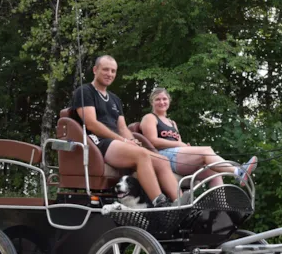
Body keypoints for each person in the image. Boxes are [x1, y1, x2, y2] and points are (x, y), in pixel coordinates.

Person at [71, 56, 183, 207]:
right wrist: (123, 140)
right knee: (142, 155)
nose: (109, 74)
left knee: (162, 160)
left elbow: (123, 128)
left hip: (117, 143)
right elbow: (91, 123)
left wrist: (132, 141)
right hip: (97, 142)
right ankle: (159, 202)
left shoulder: (115, 99)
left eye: (113, 71)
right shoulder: (85, 91)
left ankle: (181, 203)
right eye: (105, 69)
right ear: (95, 70)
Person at [140, 87, 257, 187]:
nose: (162, 102)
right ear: (152, 102)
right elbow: (152, 142)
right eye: (158, 99)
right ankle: (237, 171)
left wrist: (185, 147)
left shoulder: (172, 123)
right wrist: (179, 144)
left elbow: (178, 144)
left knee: (213, 170)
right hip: (162, 157)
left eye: (164, 99)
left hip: (177, 156)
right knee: (206, 150)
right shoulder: (150, 118)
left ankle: (222, 203)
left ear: (169, 101)